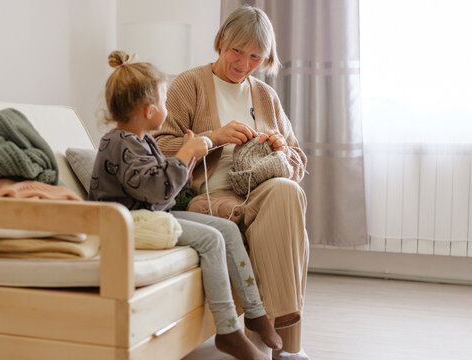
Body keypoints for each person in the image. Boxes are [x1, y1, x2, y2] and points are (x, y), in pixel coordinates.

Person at [88, 50, 282, 360]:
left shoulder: (142, 140)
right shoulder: (117, 143)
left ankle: (256, 314)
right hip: (128, 223)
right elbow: (154, 188)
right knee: (210, 238)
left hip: (150, 215)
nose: (168, 109)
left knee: (227, 231)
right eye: (165, 103)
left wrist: (189, 159)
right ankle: (228, 331)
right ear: (150, 111)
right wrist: (183, 154)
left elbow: (165, 192)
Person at [153, 6, 310, 360]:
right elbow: (161, 150)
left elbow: (299, 162)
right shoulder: (189, 83)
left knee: (288, 191)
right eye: (237, 51)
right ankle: (287, 346)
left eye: (256, 56)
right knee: (286, 225)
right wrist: (214, 137)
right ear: (221, 41)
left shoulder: (266, 96)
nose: (244, 63)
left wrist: (281, 150)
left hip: (260, 189)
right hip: (211, 194)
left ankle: (274, 334)